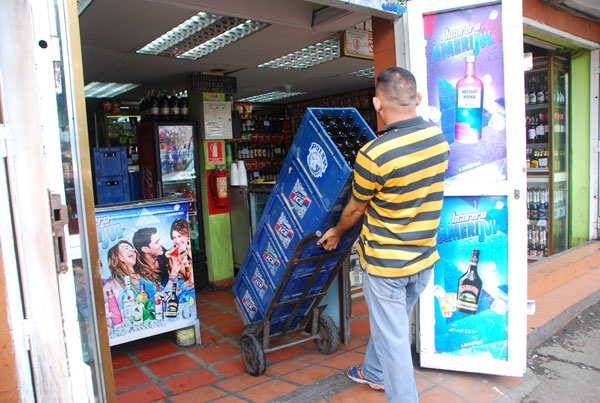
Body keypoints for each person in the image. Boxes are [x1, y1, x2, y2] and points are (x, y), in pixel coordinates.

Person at [317, 67, 450, 402]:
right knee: (391, 324)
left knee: (394, 341)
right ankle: (374, 372)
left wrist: (336, 230)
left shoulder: (375, 154)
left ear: (377, 103)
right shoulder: (438, 139)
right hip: (422, 260)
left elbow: (354, 210)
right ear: (417, 98)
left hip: (387, 266)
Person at [167, 219, 194, 288]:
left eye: (179, 236)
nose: (177, 241)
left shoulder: (194, 247)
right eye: (174, 238)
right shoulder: (172, 254)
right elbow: (174, 284)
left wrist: (190, 254)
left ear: (187, 235)